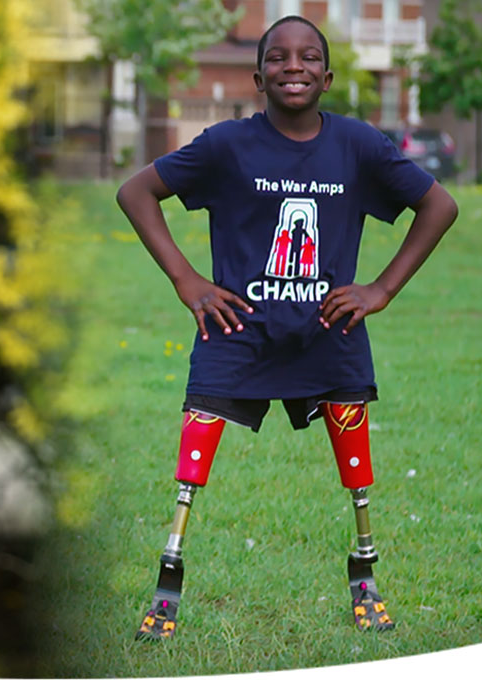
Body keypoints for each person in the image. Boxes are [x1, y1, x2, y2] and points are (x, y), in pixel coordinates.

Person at [114, 15, 457, 640]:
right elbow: (136, 191)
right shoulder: (227, 145)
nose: (292, 66)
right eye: (278, 57)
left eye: (306, 58)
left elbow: (439, 204)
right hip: (237, 335)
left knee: (356, 473)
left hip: (331, 336)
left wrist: (382, 288)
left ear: (327, 77)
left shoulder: (357, 145)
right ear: (257, 76)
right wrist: (186, 280)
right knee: (191, 472)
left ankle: (365, 576)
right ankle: (168, 584)